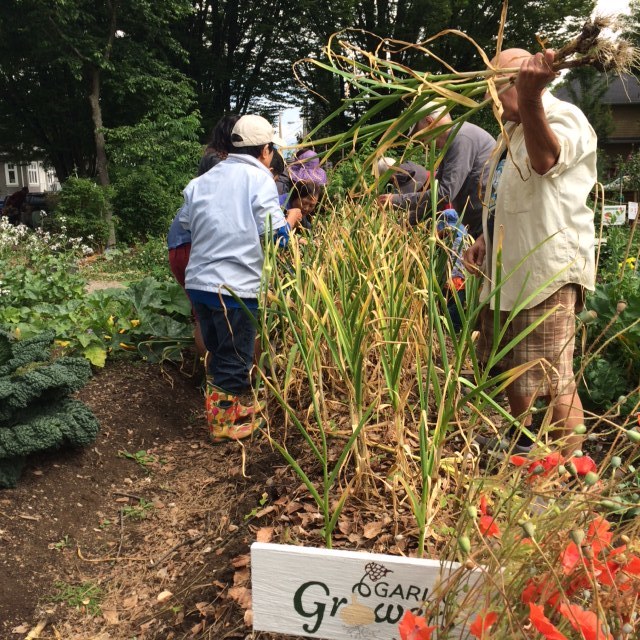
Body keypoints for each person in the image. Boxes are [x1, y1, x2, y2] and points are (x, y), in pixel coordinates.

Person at [464, 48, 597, 455]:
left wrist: (530, 98)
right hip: (505, 272)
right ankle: (522, 446)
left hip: (545, 275)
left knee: (553, 378)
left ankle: (575, 472)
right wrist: (484, 238)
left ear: (522, 84)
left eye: (497, 87)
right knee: (509, 366)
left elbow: (546, 161)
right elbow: (503, 199)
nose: (492, 98)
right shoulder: (507, 137)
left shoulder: (562, 117)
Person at [181, 114, 302, 443]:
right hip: (234, 286)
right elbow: (275, 236)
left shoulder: (205, 178)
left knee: (219, 352)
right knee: (236, 356)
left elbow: (188, 225)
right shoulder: (259, 178)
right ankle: (222, 425)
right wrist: (291, 220)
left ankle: (226, 411)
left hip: (199, 282)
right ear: (266, 151)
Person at [167, 114, 240, 359]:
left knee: (206, 312)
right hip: (189, 243)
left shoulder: (214, 157)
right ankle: (217, 378)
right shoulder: (219, 162)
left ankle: (214, 380)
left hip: (183, 242)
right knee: (210, 313)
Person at [378, 105, 494, 238]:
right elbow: (435, 199)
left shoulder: (461, 138)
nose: (420, 141)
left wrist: (396, 200)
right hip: (481, 227)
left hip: (490, 224)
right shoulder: (452, 144)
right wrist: (405, 224)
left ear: (429, 122)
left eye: (418, 133)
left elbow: (444, 194)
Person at [435, 208, 470, 332]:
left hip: (452, 281)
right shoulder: (465, 238)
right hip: (461, 282)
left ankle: (447, 329)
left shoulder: (448, 240)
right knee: (455, 308)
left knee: (451, 309)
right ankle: (451, 330)